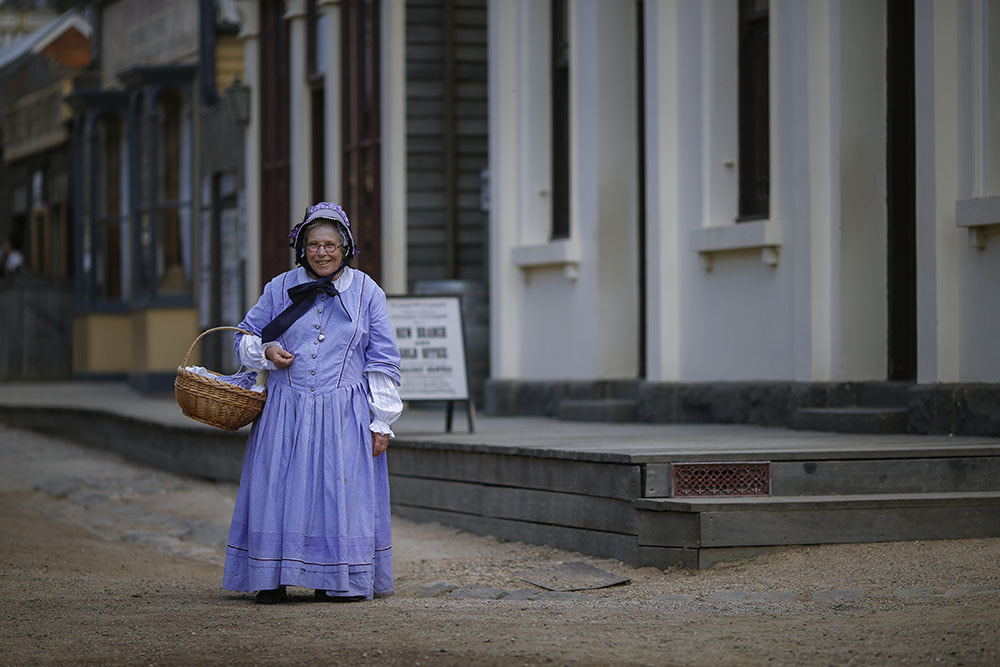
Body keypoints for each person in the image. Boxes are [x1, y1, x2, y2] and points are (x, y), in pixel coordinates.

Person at [222, 202, 403, 604]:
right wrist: (267, 352)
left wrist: (382, 420)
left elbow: (383, 357)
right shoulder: (278, 287)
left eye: (330, 245)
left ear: (345, 247)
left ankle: (337, 578)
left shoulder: (367, 291)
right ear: (301, 248)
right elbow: (243, 337)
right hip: (287, 410)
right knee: (279, 489)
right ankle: (271, 576)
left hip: (345, 415)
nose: (322, 252)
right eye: (314, 244)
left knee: (337, 493)